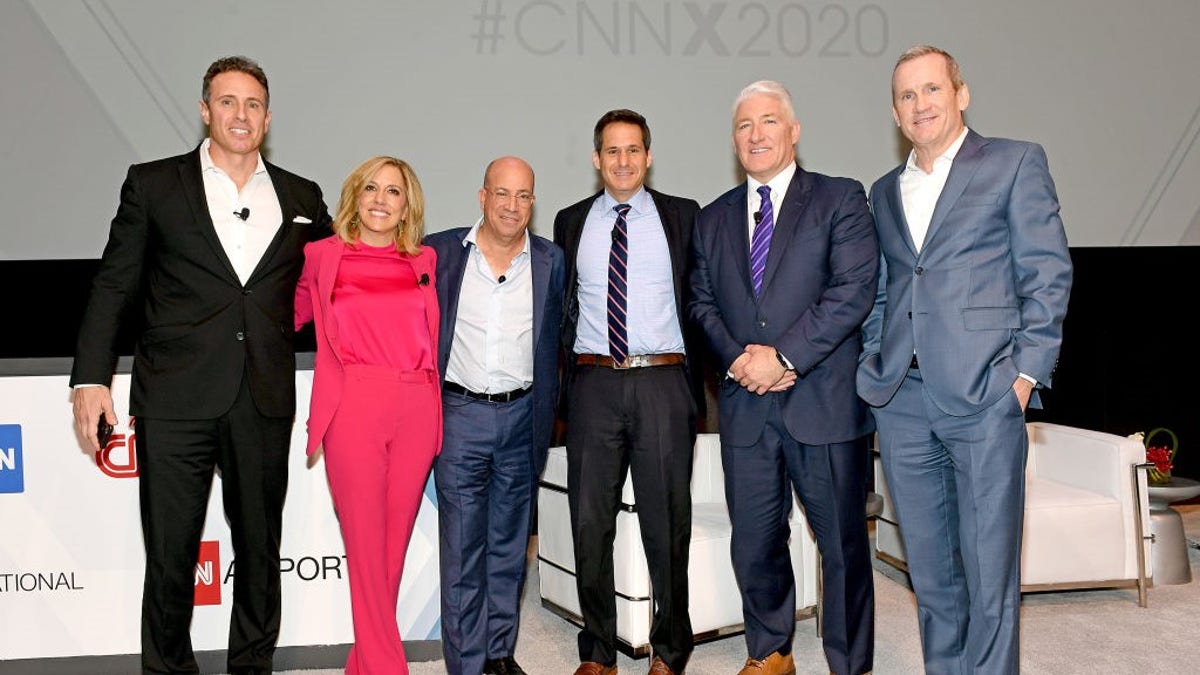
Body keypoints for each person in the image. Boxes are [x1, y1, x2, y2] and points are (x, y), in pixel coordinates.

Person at [68, 55, 331, 674]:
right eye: (228, 102)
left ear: (268, 117)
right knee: (170, 555)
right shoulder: (154, 184)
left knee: (261, 554)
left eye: (253, 104)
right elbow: (114, 286)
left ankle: (251, 667)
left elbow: (335, 284)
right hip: (175, 399)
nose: (241, 115)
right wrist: (90, 377)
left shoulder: (301, 195)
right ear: (205, 109)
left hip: (263, 398)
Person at [856, 44, 1073, 674]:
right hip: (904, 402)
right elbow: (886, 288)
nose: (919, 104)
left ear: (960, 94)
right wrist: (876, 354)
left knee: (989, 576)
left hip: (986, 396)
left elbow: (1047, 271)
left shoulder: (1013, 162)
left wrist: (1025, 375)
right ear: (895, 113)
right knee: (932, 576)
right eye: (906, 95)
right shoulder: (884, 190)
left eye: (930, 89)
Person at [689, 81, 878, 675]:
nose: (756, 134)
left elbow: (852, 293)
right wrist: (740, 360)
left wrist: (784, 358)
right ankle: (770, 652)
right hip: (745, 406)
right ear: (734, 139)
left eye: (769, 121)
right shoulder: (713, 216)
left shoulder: (840, 198)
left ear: (793, 131)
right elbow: (699, 302)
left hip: (821, 404)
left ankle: (849, 662)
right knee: (754, 539)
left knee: (842, 545)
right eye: (745, 125)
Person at [554, 109, 705, 675]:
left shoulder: (682, 217)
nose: (623, 161)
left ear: (649, 156)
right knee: (589, 522)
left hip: (662, 382)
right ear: (596, 159)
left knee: (667, 522)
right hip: (593, 382)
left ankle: (669, 649)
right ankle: (597, 651)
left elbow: (702, 298)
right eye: (612, 151)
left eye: (633, 150)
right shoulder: (570, 222)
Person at [293, 155, 440, 674]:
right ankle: (386, 668)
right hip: (354, 403)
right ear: (355, 196)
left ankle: (363, 664)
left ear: (407, 206)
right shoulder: (321, 256)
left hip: (417, 408)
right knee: (364, 542)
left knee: (391, 549)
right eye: (371, 188)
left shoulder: (425, 261)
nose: (381, 199)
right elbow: (278, 316)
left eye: (393, 191)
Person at [424, 156, 565, 675]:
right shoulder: (440, 253)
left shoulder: (551, 261)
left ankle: (499, 655)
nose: (512, 205)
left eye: (523, 195)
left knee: (510, 545)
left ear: (533, 202)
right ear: (482, 197)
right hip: (459, 414)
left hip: (523, 417)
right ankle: (465, 663)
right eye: (502, 193)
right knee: (463, 547)